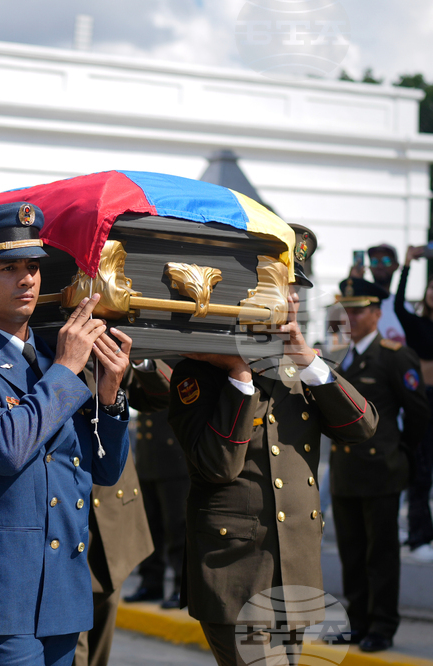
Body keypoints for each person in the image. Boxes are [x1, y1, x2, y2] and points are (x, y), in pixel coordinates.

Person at [0, 202, 132, 666]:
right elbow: (5, 448)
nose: (26, 280)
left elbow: (103, 469)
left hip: (62, 584)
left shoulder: (52, 358)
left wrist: (110, 396)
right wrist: (66, 370)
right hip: (0, 590)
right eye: (8, 268)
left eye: (33, 267)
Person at [168, 230, 379, 666]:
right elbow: (218, 466)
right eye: (282, 287)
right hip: (236, 569)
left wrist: (309, 361)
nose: (294, 299)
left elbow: (362, 427)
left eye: (298, 288)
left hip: (294, 567)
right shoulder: (198, 371)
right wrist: (239, 377)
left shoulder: (299, 365)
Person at [329, 277, 429, 652]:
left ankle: (383, 626)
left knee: (381, 555)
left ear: (376, 312)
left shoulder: (393, 356)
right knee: (352, 552)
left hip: (381, 471)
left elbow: (418, 412)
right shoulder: (337, 355)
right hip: (345, 471)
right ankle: (358, 621)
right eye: (346, 310)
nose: (350, 318)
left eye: (357, 311)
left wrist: (399, 449)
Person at [76, 360, 168, 666]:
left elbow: (157, 397)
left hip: (113, 515)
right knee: (71, 647)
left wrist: (138, 358)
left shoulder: (100, 349)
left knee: (98, 648)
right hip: (63, 516)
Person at [122, 401, 188, 610]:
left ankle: (182, 587)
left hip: (175, 460)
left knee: (177, 527)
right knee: (149, 527)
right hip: (147, 459)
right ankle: (151, 582)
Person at [394, 246, 433, 562]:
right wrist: (406, 267)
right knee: (419, 470)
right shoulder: (415, 322)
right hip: (421, 400)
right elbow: (397, 303)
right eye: (431, 288)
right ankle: (420, 533)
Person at [350, 244, 409, 343]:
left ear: (396, 266)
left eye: (386, 261)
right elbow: (335, 326)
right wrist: (353, 283)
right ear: (369, 267)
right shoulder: (361, 303)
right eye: (374, 262)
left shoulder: (406, 307)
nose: (380, 266)